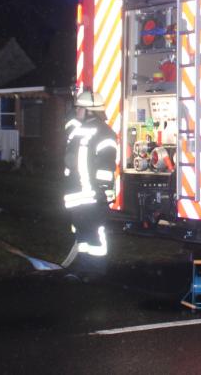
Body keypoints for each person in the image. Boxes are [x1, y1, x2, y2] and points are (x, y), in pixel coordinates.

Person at [60, 90, 118, 278]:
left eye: (79, 108)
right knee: (83, 235)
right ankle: (84, 268)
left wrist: (102, 190)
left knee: (95, 236)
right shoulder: (79, 131)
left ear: (89, 110)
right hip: (77, 196)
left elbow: (106, 165)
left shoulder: (105, 133)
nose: (76, 111)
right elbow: (69, 131)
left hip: (93, 197)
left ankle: (96, 271)